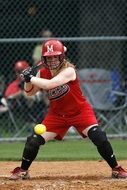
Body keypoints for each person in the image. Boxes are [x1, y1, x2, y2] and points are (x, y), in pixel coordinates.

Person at [9, 39, 127, 180]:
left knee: (99, 136)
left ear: (61, 57)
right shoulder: (42, 73)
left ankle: (116, 168)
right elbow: (29, 93)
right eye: (49, 57)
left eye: (55, 56)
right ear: (43, 58)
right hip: (57, 115)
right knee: (33, 140)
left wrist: (31, 77)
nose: (52, 60)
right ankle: (23, 170)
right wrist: (28, 80)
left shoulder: (69, 70)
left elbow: (50, 84)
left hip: (80, 111)